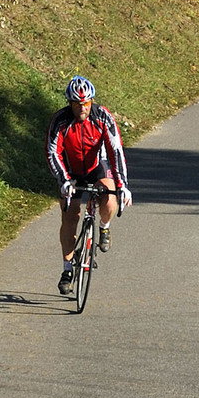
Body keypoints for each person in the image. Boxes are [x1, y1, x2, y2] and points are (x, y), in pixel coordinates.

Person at [47, 73, 131, 294]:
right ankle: (67, 269)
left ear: (91, 101)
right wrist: (64, 181)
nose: (82, 108)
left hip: (96, 167)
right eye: (76, 103)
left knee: (110, 202)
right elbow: (53, 152)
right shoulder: (61, 120)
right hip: (71, 172)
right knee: (70, 214)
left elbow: (115, 150)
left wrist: (122, 185)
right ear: (70, 103)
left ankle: (104, 227)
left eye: (85, 103)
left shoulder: (103, 117)